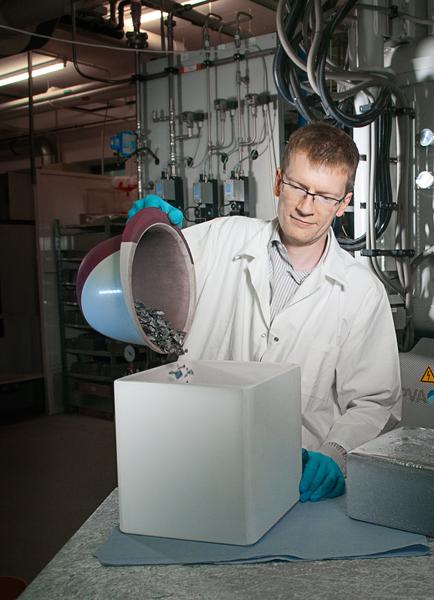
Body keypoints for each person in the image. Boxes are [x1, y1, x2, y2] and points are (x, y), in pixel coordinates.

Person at [128, 122, 401, 503]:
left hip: (296, 476)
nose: (307, 207)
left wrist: (336, 455)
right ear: (278, 182)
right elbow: (141, 283)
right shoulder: (220, 239)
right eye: (298, 188)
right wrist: (143, 234)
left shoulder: (360, 291)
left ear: (344, 204)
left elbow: (375, 401)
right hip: (194, 456)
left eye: (324, 196)